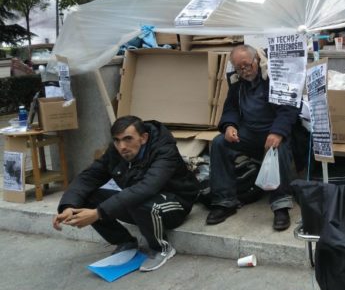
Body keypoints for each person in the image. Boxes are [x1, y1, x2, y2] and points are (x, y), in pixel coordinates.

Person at [52, 116, 199, 271]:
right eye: (117, 140)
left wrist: (99, 213)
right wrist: (69, 206)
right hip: (140, 205)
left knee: (139, 200)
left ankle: (161, 248)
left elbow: (147, 188)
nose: (122, 146)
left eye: (128, 139)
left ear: (143, 138)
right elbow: (89, 177)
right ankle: (125, 242)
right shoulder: (116, 152)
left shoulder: (164, 151)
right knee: (89, 197)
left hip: (175, 204)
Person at [205, 44, 299, 230]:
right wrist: (230, 126)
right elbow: (230, 108)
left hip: (273, 131)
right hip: (249, 133)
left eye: (247, 65)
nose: (244, 71)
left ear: (256, 59)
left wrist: (277, 131)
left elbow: (288, 109)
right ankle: (224, 201)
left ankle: (281, 205)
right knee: (219, 143)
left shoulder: (274, 76)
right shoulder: (237, 83)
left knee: (277, 147)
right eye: (239, 68)